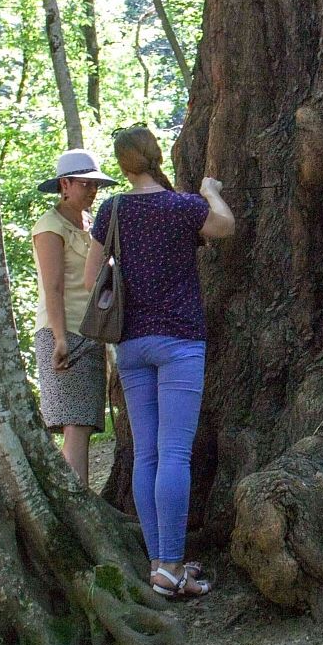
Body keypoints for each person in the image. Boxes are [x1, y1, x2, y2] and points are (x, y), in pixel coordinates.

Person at [85, 125, 235, 598]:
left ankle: (159, 566)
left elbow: (92, 276)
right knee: (173, 454)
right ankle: (171, 566)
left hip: (130, 344)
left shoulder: (112, 210)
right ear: (152, 157)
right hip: (180, 341)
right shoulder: (183, 206)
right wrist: (210, 191)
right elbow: (225, 227)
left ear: (122, 164)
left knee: (146, 455)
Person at [33, 149, 119, 485]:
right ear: (64, 185)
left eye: (95, 185)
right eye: (85, 184)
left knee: (83, 420)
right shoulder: (50, 226)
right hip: (63, 331)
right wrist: (59, 339)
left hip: (89, 331)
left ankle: (81, 500)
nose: (92, 191)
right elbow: (53, 287)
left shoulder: (89, 223)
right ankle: (79, 501)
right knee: (75, 423)